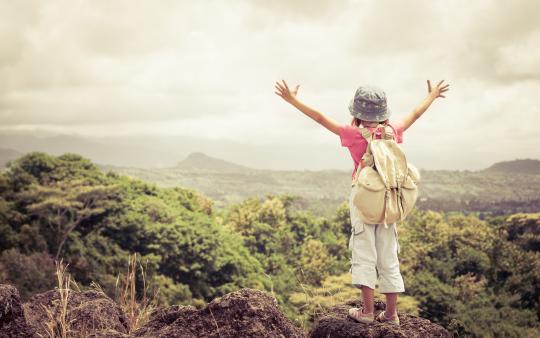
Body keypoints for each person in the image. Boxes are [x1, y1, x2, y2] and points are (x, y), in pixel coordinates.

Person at [274, 79, 450, 325]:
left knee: (364, 251)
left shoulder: (353, 133)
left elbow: (320, 118)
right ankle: (391, 314)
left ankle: (367, 312)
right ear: (383, 111)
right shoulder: (393, 132)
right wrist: (431, 95)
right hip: (389, 200)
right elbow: (415, 114)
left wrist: (292, 100)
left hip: (364, 199)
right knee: (389, 254)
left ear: (356, 112)